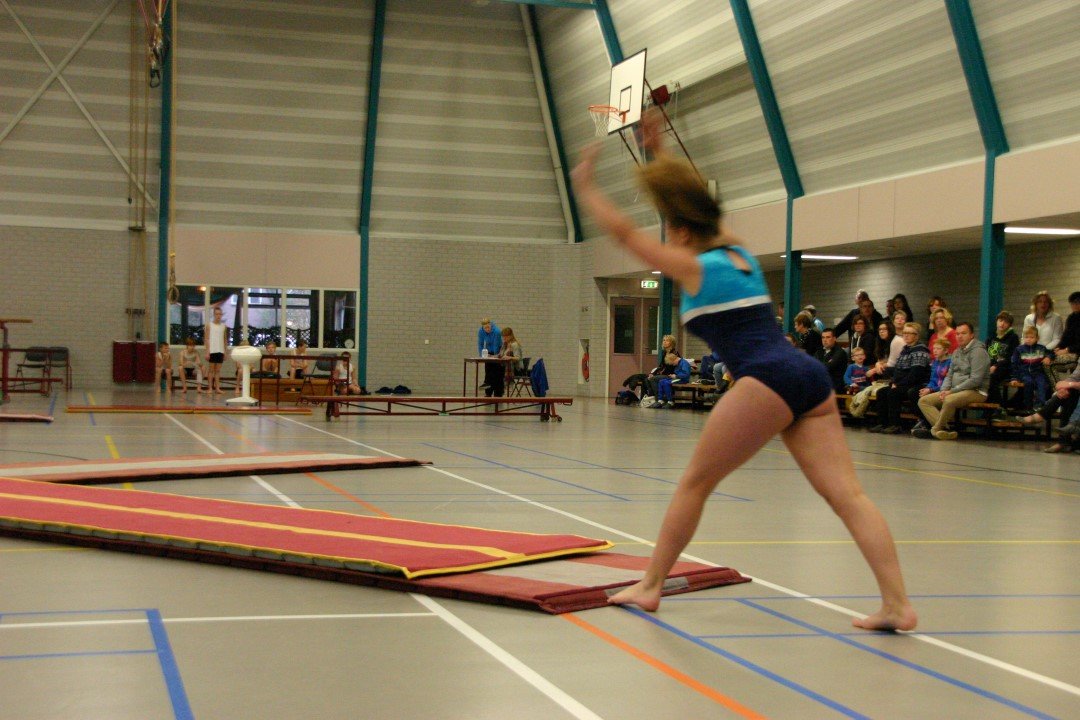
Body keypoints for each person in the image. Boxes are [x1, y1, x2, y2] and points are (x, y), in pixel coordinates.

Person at [571, 113, 915, 630]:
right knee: (849, 496)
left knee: (694, 483)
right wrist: (659, 154)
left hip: (765, 378)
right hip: (808, 377)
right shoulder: (738, 252)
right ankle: (897, 604)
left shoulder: (693, 267)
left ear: (680, 230)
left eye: (671, 228)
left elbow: (623, 232)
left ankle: (651, 585)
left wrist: (586, 186)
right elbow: (694, 205)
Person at [915, 322, 990, 440]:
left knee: (949, 400)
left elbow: (975, 379)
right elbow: (949, 374)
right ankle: (945, 430)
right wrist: (944, 390)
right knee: (924, 401)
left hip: (976, 391)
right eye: (957, 334)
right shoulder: (956, 352)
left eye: (963, 333)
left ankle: (935, 430)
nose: (959, 336)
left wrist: (952, 391)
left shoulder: (979, 352)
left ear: (972, 335)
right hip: (954, 390)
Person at [868, 323, 930, 434]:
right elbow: (898, 370)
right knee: (881, 392)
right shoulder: (905, 349)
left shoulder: (920, 350)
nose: (906, 335)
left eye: (909, 333)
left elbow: (915, 374)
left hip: (916, 384)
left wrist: (897, 384)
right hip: (902, 383)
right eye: (904, 333)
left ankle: (895, 425)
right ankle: (882, 423)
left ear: (916, 335)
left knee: (893, 393)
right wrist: (893, 381)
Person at [910, 338, 953, 436]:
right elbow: (933, 379)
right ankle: (926, 421)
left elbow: (948, 382)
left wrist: (931, 389)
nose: (935, 351)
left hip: (944, 389)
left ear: (946, 350)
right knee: (914, 393)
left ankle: (939, 426)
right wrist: (927, 388)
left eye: (938, 348)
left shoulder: (950, 363)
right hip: (933, 388)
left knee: (924, 399)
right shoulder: (935, 362)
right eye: (934, 348)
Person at [1011, 326, 1050, 414]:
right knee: (1028, 382)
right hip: (1024, 373)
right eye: (1026, 337)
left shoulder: (1041, 348)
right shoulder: (1019, 349)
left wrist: (1048, 357)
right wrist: (1014, 378)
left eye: (1032, 337)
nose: (1029, 339)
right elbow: (1014, 364)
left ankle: (1040, 405)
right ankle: (1028, 405)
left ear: (1037, 338)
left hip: (1038, 372)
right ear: (1023, 338)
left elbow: (1051, 353)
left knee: (1042, 383)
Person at [984, 311, 1020, 408]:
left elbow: (1011, 356)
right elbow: (985, 353)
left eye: (1006, 322)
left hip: (1005, 367)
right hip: (990, 366)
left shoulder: (1013, 337)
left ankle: (1000, 406)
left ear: (1009, 325)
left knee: (991, 378)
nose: (1002, 324)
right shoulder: (991, 336)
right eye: (1000, 321)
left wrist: (996, 366)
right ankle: (991, 409)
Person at [1045, 290, 1080, 386]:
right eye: (1072, 303)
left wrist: (1067, 350)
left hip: (1076, 353)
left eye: (1077, 303)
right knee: (1046, 360)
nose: (1074, 305)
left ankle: (1058, 389)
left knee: (1049, 365)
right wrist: (1059, 347)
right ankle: (1060, 389)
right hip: (1071, 351)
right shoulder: (1072, 317)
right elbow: (1066, 336)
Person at [815, 328, 849, 394]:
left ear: (834, 338)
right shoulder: (819, 352)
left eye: (828, 337)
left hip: (835, 388)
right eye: (823, 337)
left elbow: (827, 367)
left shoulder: (840, 352)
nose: (825, 340)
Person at [477, 318, 504, 397]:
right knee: (488, 373)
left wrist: (495, 357)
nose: (487, 329)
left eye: (488, 327)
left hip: (498, 353)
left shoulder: (497, 331)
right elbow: (480, 344)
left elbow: (496, 345)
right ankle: (488, 393)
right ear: (483, 327)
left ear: (491, 325)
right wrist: (482, 355)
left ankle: (498, 394)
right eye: (485, 328)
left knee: (497, 374)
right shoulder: (481, 331)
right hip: (489, 353)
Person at [205, 305, 227, 396]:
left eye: (220, 314)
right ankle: (210, 387)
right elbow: (206, 339)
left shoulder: (223, 326)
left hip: (220, 350)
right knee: (211, 370)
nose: (218, 316)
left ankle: (217, 388)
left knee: (217, 370)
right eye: (217, 314)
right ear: (214, 315)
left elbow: (225, 340)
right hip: (212, 350)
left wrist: (225, 352)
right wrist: (207, 351)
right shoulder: (209, 325)